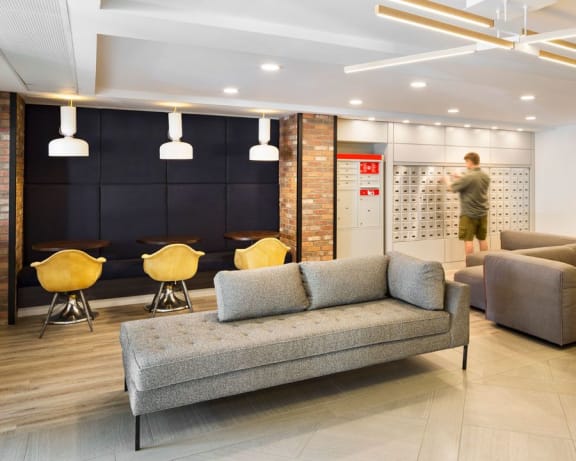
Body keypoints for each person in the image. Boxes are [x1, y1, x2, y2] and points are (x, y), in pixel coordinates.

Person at [444, 152, 490, 255]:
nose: (466, 165)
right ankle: (485, 264)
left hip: (469, 214)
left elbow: (451, 188)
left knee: (468, 241)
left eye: (466, 162)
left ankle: (470, 266)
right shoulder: (485, 176)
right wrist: (460, 177)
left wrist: (446, 180)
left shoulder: (468, 177)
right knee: (482, 239)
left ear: (470, 162)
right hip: (482, 213)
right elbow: (473, 183)